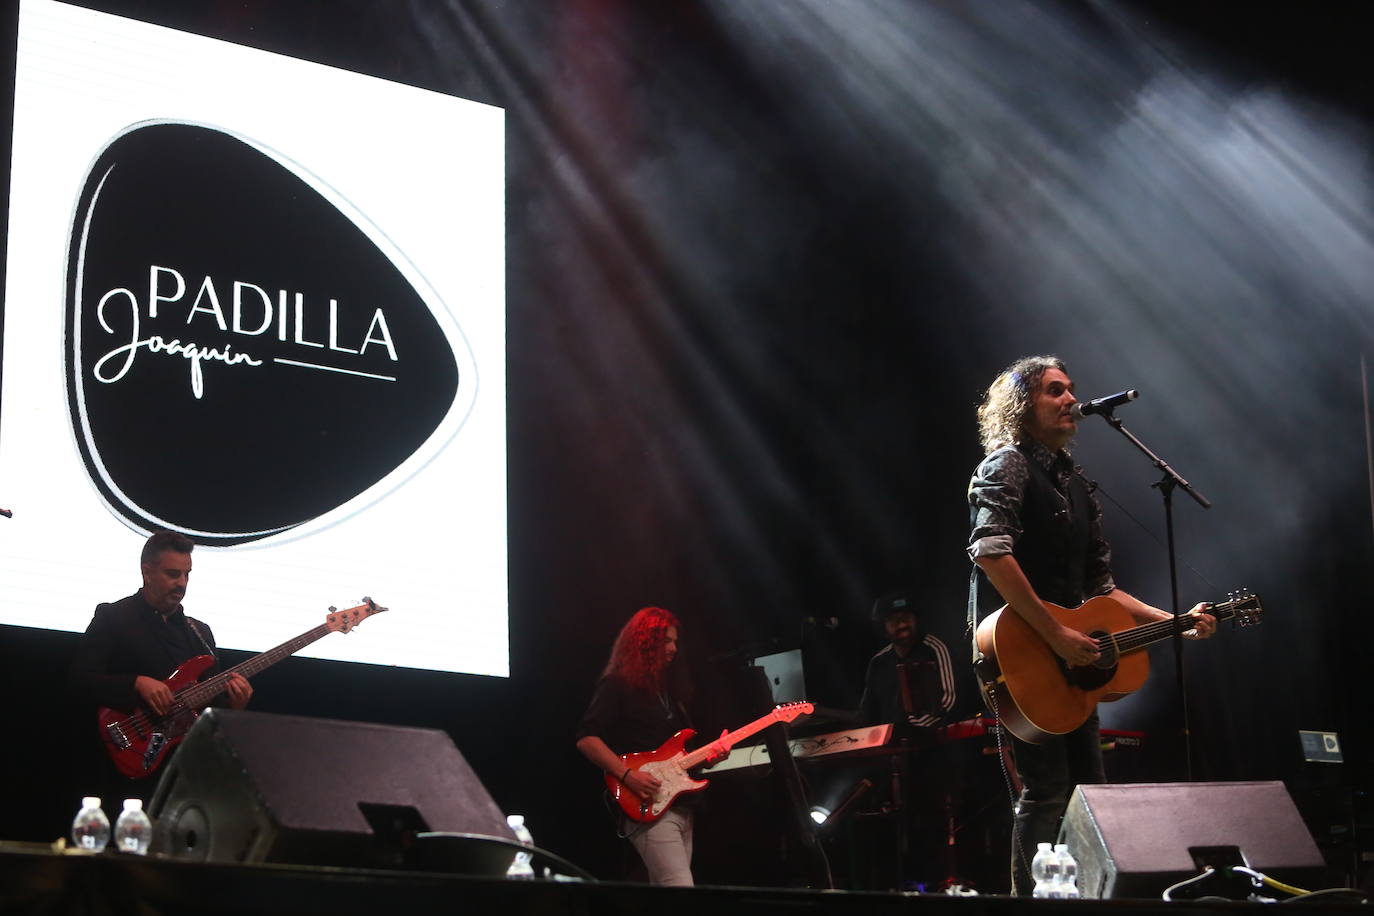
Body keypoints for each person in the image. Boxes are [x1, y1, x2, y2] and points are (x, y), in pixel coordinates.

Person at [967, 355, 1216, 895]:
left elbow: (1102, 589)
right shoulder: (1006, 465)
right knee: (1048, 789)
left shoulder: (1078, 483)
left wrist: (1173, 621)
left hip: (1072, 659)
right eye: (1055, 390)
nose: (1070, 400)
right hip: (1026, 649)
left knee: (1090, 792)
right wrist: (1056, 634)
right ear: (1022, 405)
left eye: (1071, 389)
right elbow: (990, 552)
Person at [69, 530, 252, 792]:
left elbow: (211, 710)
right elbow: (79, 680)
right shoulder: (114, 617)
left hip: (183, 772)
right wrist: (136, 683)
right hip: (119, 762)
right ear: (147, 572)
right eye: (173, 574)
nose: (182, 583)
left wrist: (235, 706)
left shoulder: (200, 632)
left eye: (187, 574)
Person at [575, 607, 722, 887]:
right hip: (648, 805)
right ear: (645, 642)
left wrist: (710, 757)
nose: (674, 648)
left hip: (680, 805)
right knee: (680, 888)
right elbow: (587, 738)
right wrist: (628, 775)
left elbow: (682, 757)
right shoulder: (617, 684)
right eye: (667, 641)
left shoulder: (670, 694)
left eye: (675, 641)